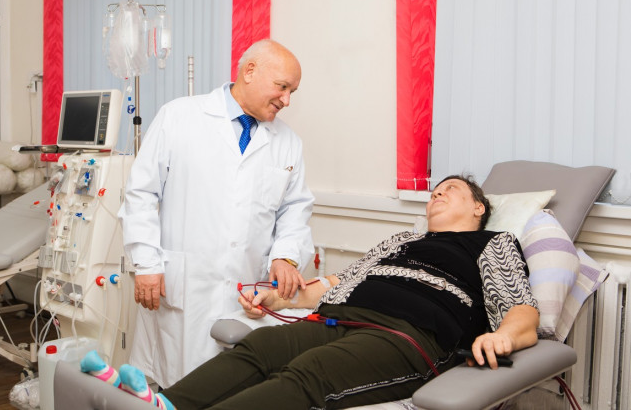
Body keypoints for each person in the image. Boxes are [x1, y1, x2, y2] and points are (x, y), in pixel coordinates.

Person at [93, 175, 539, 409]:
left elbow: (521, 309)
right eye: (434, 191)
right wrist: (277, 299)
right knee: (258, 348)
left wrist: (504, 336)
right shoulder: (402, 240)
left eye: (450, 190)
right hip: (339, 318)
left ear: (478, 207)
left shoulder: (492, 242)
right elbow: (335, 284)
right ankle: (161, 405)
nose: (437, 194)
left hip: (407, 335)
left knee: (306, 375)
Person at [117, 39, 315, 388]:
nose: (287, 100)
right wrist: (146, 264)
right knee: (178, 387)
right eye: (282, 87)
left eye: (292, 92)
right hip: (184, 289)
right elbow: (141, 193)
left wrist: (285, 257)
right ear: (249, 71)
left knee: (234, 388)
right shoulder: (179, 116)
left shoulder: (288, 142)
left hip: (246, 291)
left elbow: (294, 210)